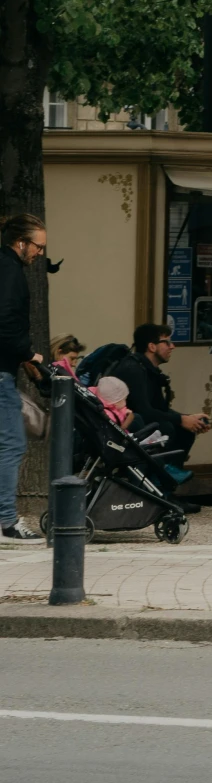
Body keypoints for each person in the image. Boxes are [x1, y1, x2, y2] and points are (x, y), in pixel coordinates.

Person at [0, 213, 47, 541]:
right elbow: (6, 320)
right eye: (38, 246)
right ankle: (6, 521)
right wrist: (28, 354)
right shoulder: (10, 271)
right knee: (12, 444)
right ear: (21, 242)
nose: (39, 253)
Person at [118, 323, 212, 462]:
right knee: (166, 427)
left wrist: (189, 418)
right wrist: (181, 420)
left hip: (141, 422)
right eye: (167, 342)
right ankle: (159, 476)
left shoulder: (149, 370)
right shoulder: (133, 369)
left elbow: (160, 408)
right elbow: (144, 411)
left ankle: (170, 475)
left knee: (185, 430)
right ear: (152, 346)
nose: (172, 346)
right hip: (127, 426)